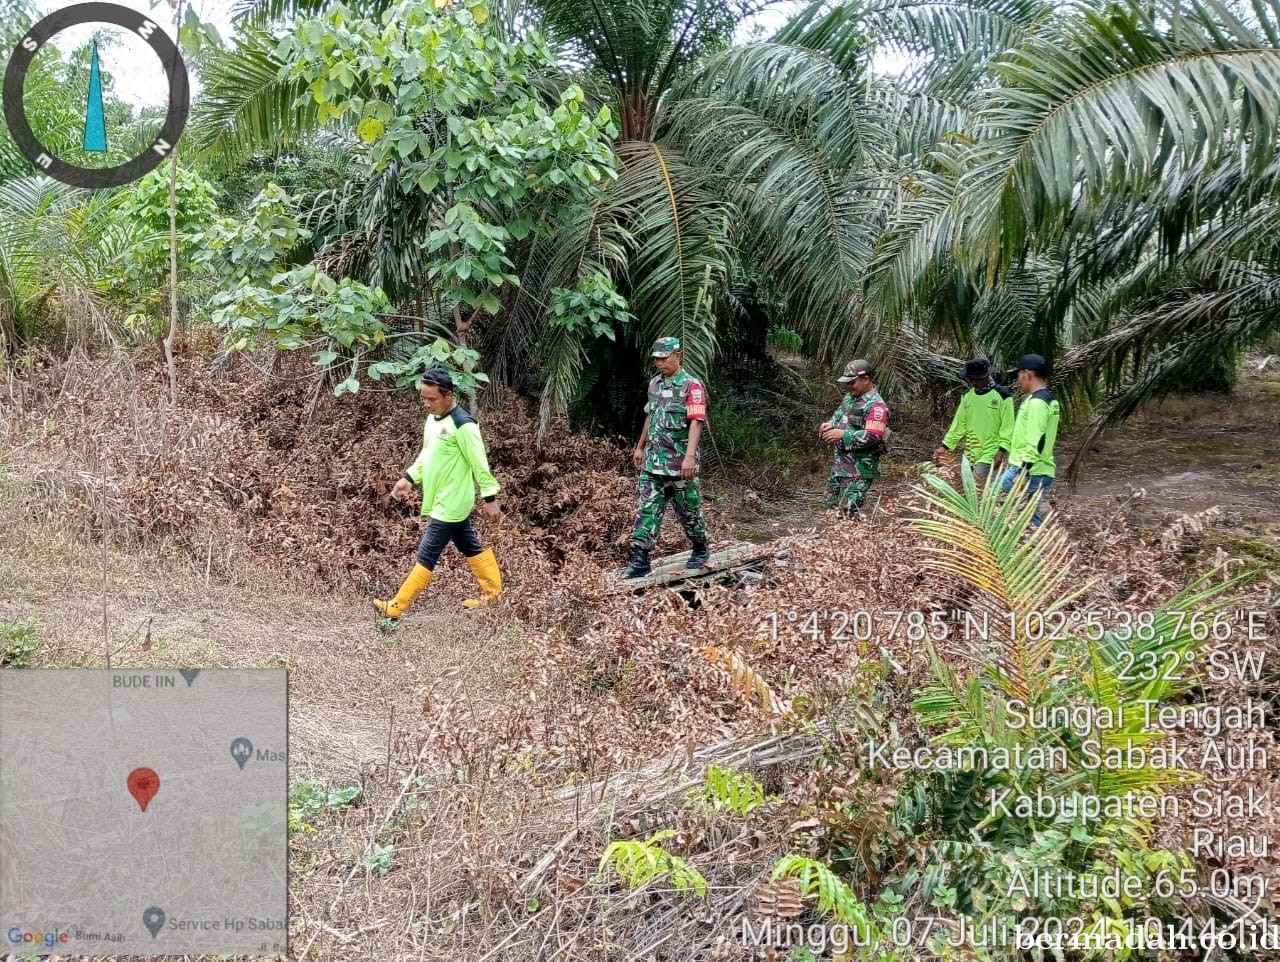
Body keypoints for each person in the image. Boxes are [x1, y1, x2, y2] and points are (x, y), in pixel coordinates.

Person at [374, 368, 503, 619]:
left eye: (431, 399)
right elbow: (428, 454)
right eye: (423, 397)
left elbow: (480, 464)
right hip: (440, 497)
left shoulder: (463, 425)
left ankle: (397, 607)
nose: (426, 403)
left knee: (427, 553)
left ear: (448, 396)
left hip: (453, 501)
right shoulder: (433, 420)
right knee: (469, 545)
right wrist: (409, 478)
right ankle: (494, 594)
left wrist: (490, 499)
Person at [623, 337, 711, 578]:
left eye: (664, 358)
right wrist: (640, 447)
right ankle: (640, 560)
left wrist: (689, 458)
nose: (660, 363)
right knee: (647, 510)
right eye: (657, 359)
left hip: (679, 464)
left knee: (689, 512)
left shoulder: (692, 386)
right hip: (653, 463)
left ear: (677, 355)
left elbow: (696, 423)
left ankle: (701, 547)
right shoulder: (654, 385)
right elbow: (650, 417)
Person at [820, 359, 890, 518]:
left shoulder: (876, 406)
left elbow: (873, 436)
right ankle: (835, 540)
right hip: (841, 464)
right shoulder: (850, 397)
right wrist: (829, 424)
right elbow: (839, 414)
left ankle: (851, 540)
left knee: (848, 511)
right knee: (830, 503)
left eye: (852, 382)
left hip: (859, 468)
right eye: (847, 382)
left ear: (866, 379)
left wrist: (843, 434)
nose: (848, 386)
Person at [1000, 353, 1060, 527]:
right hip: (1037, 467)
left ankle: (1034, 547)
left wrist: (1022, 473)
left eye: (1019, 375)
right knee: (1025, 516)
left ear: (1028, 373)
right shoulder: (1048, 399)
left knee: (1016, 512)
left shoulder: (1037, 403)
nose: (1018, 380)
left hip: (1029, 469)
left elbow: (1037, 440)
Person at [933, 358, 1014, 483]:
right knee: (970, 491)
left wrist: (1002, 451)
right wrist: (945, 446)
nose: (972, 382)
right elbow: (959, 425)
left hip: (990, 451)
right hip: (970, 452)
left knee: (977, 485)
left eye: (976, 378)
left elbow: (1007, 427)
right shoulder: (967, 396)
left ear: (986, 376)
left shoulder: (1003, 396)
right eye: (970, 379)